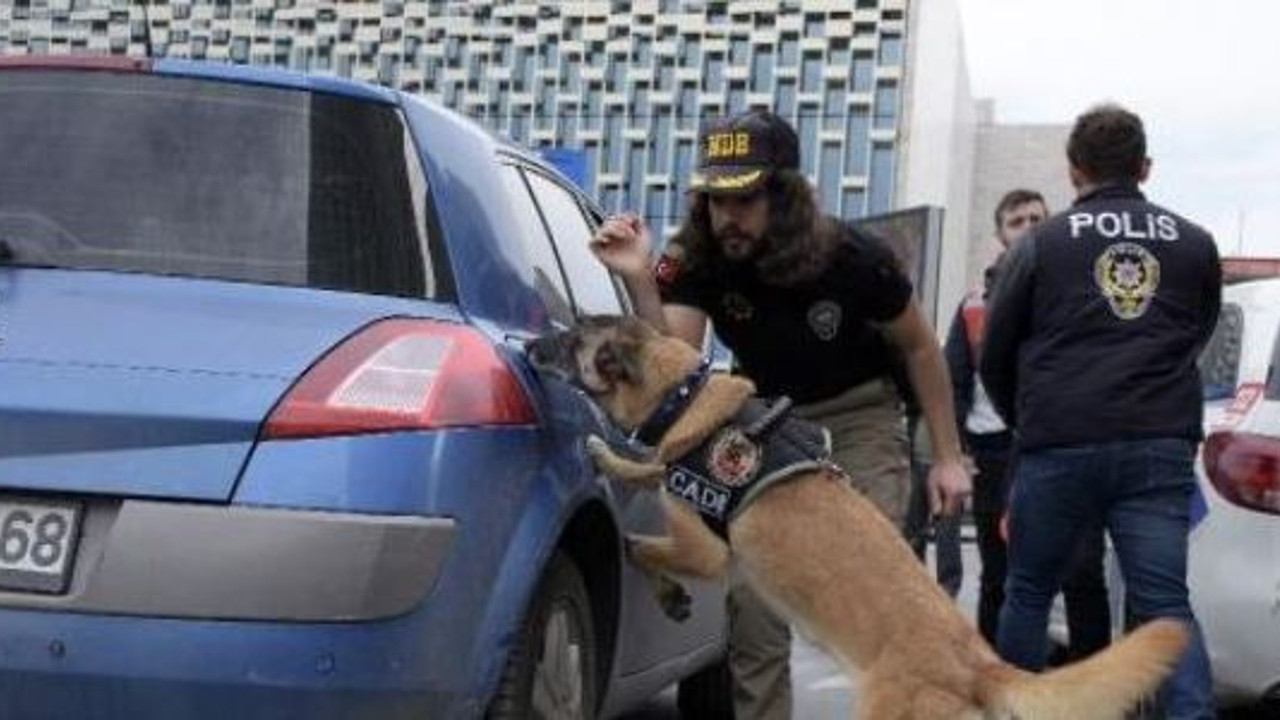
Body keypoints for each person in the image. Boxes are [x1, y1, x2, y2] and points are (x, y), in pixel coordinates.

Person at [590, 109, 972, 720]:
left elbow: (922, 347)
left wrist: (948, 457)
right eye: (715, 200)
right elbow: (678, 364)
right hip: (763, 426)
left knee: (875, 587)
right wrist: (641, 277)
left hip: (859, 415)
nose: (726, 217)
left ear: (785, 197)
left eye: (744, 200)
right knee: (752, 605)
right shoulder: (695, 254)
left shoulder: (854, 255)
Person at [981, 103, 1219, 718]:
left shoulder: (1038, 245)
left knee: (1029, 591)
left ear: (1073, 170)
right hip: (1157, 443)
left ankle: (1014, 712)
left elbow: (996, 352)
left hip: (1058, 442)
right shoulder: (1195, 245)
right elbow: (1197, 332)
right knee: (1165, 603)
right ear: (1144, 167)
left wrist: (1026, 420)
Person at [944, 189, 1112, 659]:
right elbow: (953, 380)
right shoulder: (974, 304)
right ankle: (996, 681)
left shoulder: (1077, 291)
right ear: (1000, 234)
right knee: (1000, 574)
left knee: (1081, 571)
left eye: (1036, 218)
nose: (1027, 226)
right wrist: (957, 450)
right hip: (994, 453)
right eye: (1016, 221)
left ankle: (1090, 682)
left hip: (1065, 444)